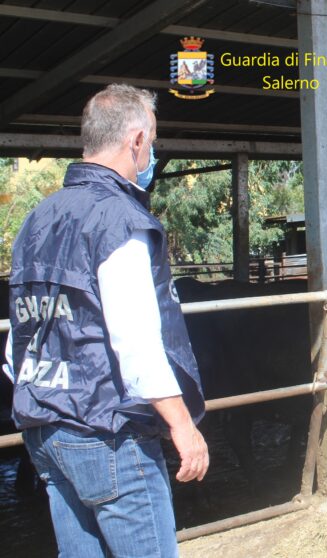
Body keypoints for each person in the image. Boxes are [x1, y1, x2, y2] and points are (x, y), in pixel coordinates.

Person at [4, 84, 209, 557]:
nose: (152, 154)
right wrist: (182, 425)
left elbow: (20, 333)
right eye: (153, 142)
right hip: (108, 433)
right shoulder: (118, 219)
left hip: (45, 428)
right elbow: (134, 338)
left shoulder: (38, 220)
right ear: (136, 141)